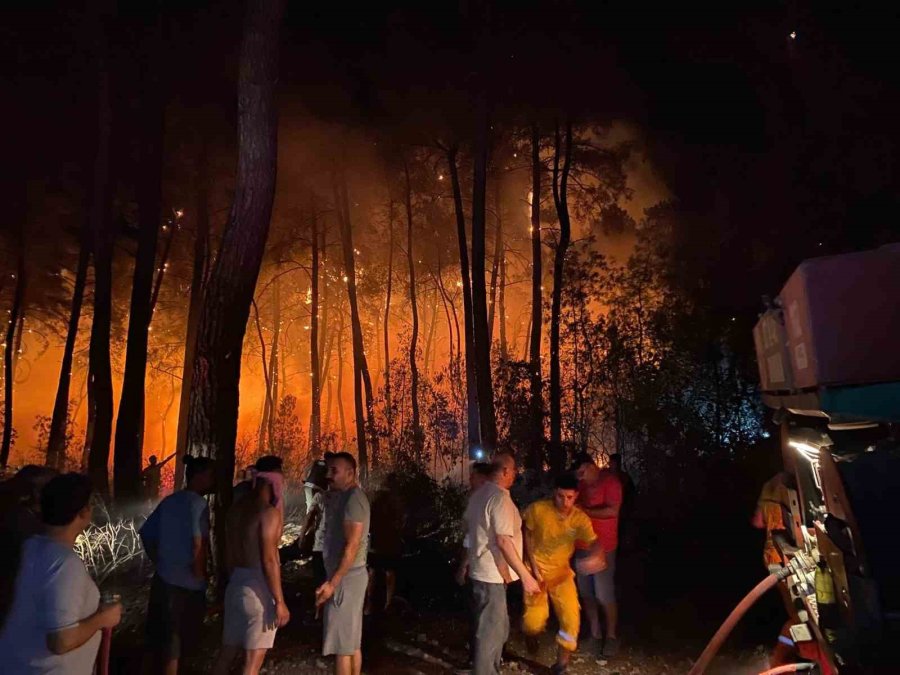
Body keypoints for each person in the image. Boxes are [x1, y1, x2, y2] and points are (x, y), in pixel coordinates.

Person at [0, 472, 122, 674]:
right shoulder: (64, 563)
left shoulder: (31, 546)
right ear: (83, 511)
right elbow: (60, 641)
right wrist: (103, 618)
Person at [462, 453, 540, 675]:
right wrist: (525, 576)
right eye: (514, 470)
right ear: (505, 471)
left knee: (495, 628)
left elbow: (479, 535)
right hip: (490, 577)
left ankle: (489, 668)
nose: (516, 474)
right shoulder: (500, 499)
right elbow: (503, 541)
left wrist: (506, 573)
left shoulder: (479, 495)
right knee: (490, 633)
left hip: (483, 574)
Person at [140, 455, 216, 675]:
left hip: (163, 580)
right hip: (186, 587)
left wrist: (159, 561)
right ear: (200, 476)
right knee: (178, 645)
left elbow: (146, 534)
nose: (212, 481)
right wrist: (200, 574)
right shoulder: (199, 504)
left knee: (158, 640)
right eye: (210, 476)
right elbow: (197, 543)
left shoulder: (170, 501)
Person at [522, 474, 604, 674]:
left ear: (576, 496)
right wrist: (532, 566)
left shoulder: (579, 519)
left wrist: (597, 556)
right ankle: (530, 634)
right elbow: (527, 533)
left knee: (571, 619)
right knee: (533, 622)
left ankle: (561, 666)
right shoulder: (538, 510)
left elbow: (595, 542)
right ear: (554, 493)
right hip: (536, 573)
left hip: (562, 574)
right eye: (560, 496)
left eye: (569, 497)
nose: (564, 502)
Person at [214, 467, 290, 675]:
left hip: (235, 585)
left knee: (226, 654)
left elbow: (227, 555)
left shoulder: (235, 510)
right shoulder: (268, 513)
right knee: (251, 665)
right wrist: (280, 602)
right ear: (273, 483)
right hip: (258, 590)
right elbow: (269, 559)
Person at [315, 452, 370, 675]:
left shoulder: (354, 499)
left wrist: (332, 584)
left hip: (346, 579)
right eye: (327, 470)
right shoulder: (343, 497)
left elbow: (352, 546)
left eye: (334, 471)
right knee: (350, 644)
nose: (328, 475)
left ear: (350, 473)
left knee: (342, 647)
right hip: (347, 577)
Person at [571, 452, 623, 657]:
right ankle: (595, 635)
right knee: (587, 594)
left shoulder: (611, 482)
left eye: (583, 472)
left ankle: (611, 637)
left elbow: (612, 511)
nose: (580, 477)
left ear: (591, 466)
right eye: (578, 474)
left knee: (604, 594)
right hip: (582, 546)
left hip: (604, 547)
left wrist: (584, 510)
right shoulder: (581, 485)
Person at [367, 484, 405, 613]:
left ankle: (370, 604)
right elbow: (400, 523)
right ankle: (387, 604)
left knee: (373, 573)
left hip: (376, 544)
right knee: (388, 573)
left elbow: (369, 525)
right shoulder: (393, 506)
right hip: (388, 544)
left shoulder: (374, 506)